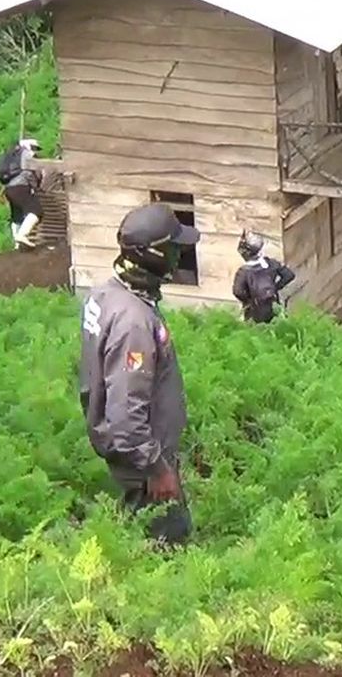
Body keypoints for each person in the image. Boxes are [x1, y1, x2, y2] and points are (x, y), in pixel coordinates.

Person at [78, 202, 200, 545]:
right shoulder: (133, 322)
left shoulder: (106, 294)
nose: (180, 255)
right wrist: (157, 469)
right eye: (174, 248)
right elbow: (126, 414)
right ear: (156, 255)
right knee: (166, 548)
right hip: (141, 460)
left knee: (138, 537)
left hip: (131, 454)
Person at [231, 230, 296, 324]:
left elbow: (238, 291)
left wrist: (248, 300)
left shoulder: (243, 272)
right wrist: (276, 287)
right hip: (272, 304)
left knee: (255, 334)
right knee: (275, 327)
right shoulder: (271, 263)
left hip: (253, 310)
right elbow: (289, 275)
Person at [0, 138, 42, 249]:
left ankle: (17, 244)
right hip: (21, 186)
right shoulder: (27, 154)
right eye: (34, 148)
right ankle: (22, 235)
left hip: (9, 189)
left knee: (17, 216)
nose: (36, 151)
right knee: (36, 211)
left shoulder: (10, 156)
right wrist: (35, 185)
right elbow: (29, 172)